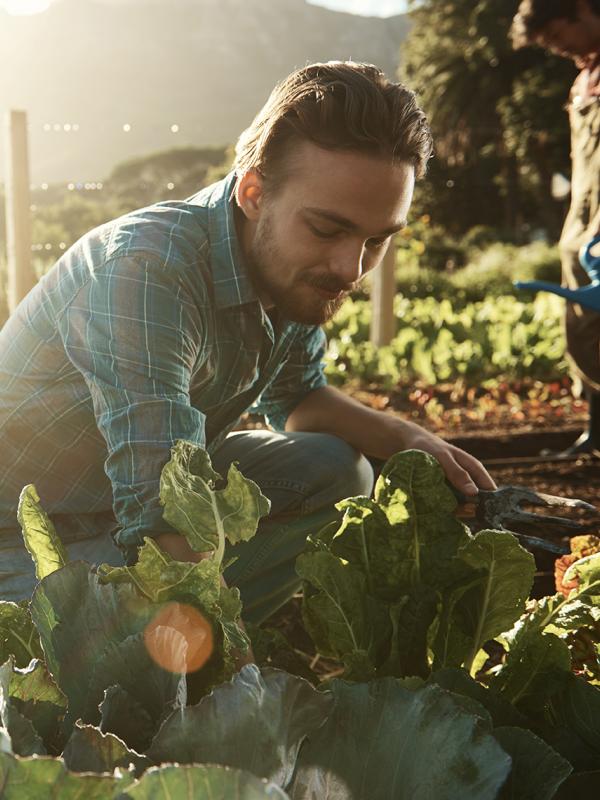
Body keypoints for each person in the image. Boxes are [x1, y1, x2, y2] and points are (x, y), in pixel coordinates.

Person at [0, 61, 495, 625]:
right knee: (144, 611)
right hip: (22, 543)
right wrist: (229, 667)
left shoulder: (291, 273)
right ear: (254, 192)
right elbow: (163, 510)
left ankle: (187, 641)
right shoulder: (146, 270)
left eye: (377, 239)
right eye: (327, 229)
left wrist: (411, 440)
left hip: (113, 515)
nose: (350, 268)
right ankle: (187, 653)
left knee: (337, 470)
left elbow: (297, 400)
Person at [511, 0, 600, 457]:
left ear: (580, 9)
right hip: (582, 219)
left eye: (557, 35)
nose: (558, 48)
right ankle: (596, 432)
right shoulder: (584, 78)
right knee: (582, 327)